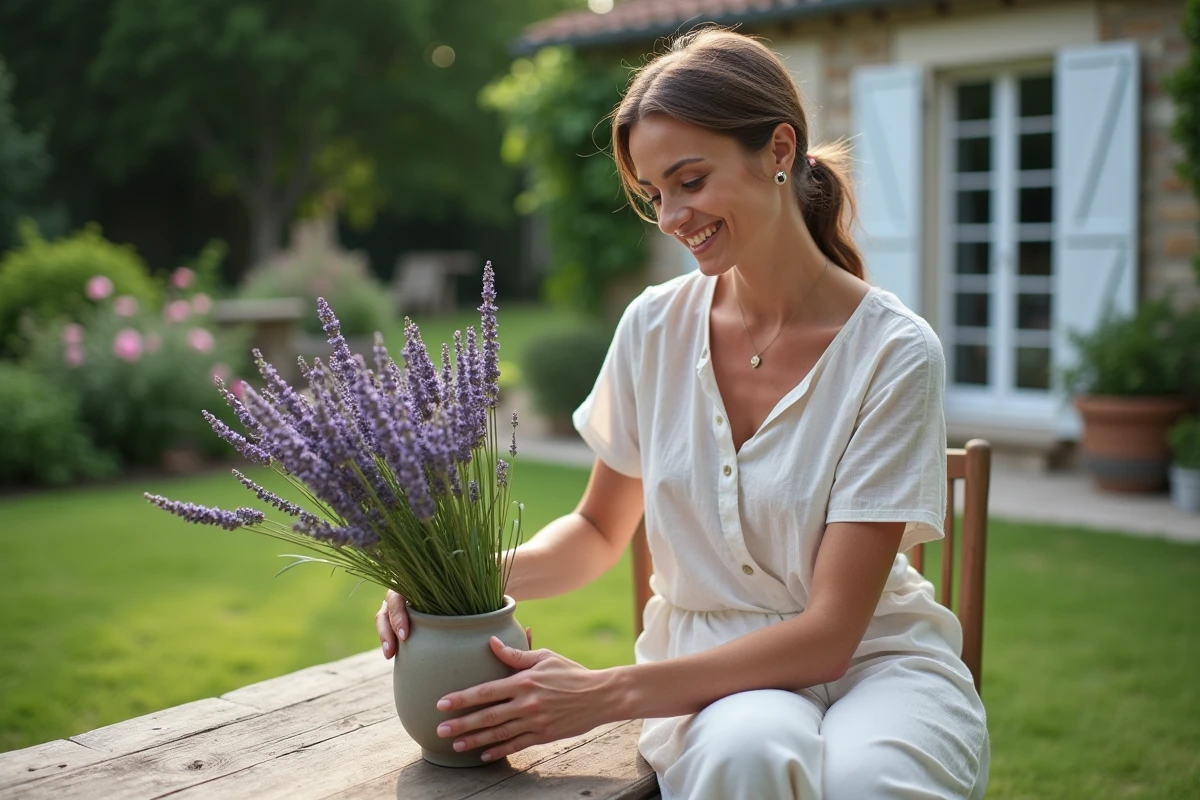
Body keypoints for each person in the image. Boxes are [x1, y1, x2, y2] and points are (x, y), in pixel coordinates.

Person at [376, 28, 989, 799]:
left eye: (689, 181)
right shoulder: (653, 327)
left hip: (878, 659)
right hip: (710, 669)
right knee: (749, 756)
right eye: (654, 194)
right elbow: (600, 532)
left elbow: (832, 634)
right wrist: (453, 580)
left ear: (778, 150)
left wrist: (605, 692)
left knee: (875, 782)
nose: (671, 217)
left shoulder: (895, 352)